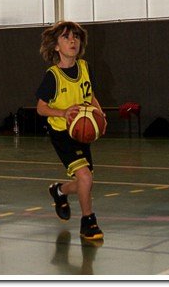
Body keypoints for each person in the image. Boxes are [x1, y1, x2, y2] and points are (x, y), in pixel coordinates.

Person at [36, 20, 106, 242]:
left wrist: (99, 114)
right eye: (66, 37)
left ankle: (59, 191)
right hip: (62, 133)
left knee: (86, 181)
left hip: (81, 132)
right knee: (85, 177)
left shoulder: (84, 67)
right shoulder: (53, 76)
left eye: (75, 36)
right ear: (56, 46)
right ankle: (88, 222)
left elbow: (90, 95)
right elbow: (41, 108)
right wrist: (63, 113)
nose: (72, 40)